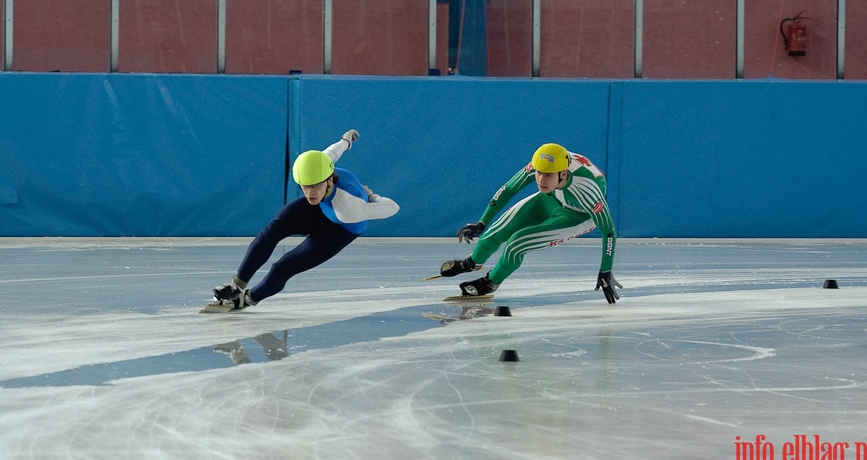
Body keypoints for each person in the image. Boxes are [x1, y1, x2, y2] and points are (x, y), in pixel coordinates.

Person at [213, 130, 399, 309]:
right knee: (272, 231)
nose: (310, 192)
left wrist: (372, 196)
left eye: (316, 186)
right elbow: (334, 151)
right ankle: (237, 286)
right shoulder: (321, 165)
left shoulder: (348, 209)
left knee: (284, 267)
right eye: (305, 186)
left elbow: (393, 207)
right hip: (322, 207)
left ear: (329, 180)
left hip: (340, 229)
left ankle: (247, 299)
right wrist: (346, 141)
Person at [439, 142, 621, 303]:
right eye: (539, 173)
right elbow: (508, 189)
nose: (541, 180)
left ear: (563, 174)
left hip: (578, 215)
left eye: (548, 176)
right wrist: (482, 222)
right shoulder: (544, 164)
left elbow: (609, 231)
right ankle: (472, 262)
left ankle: (491, 282)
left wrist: (605, 270)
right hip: (551, 197)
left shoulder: (587, 188)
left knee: (517, 243)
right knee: (494, 233)